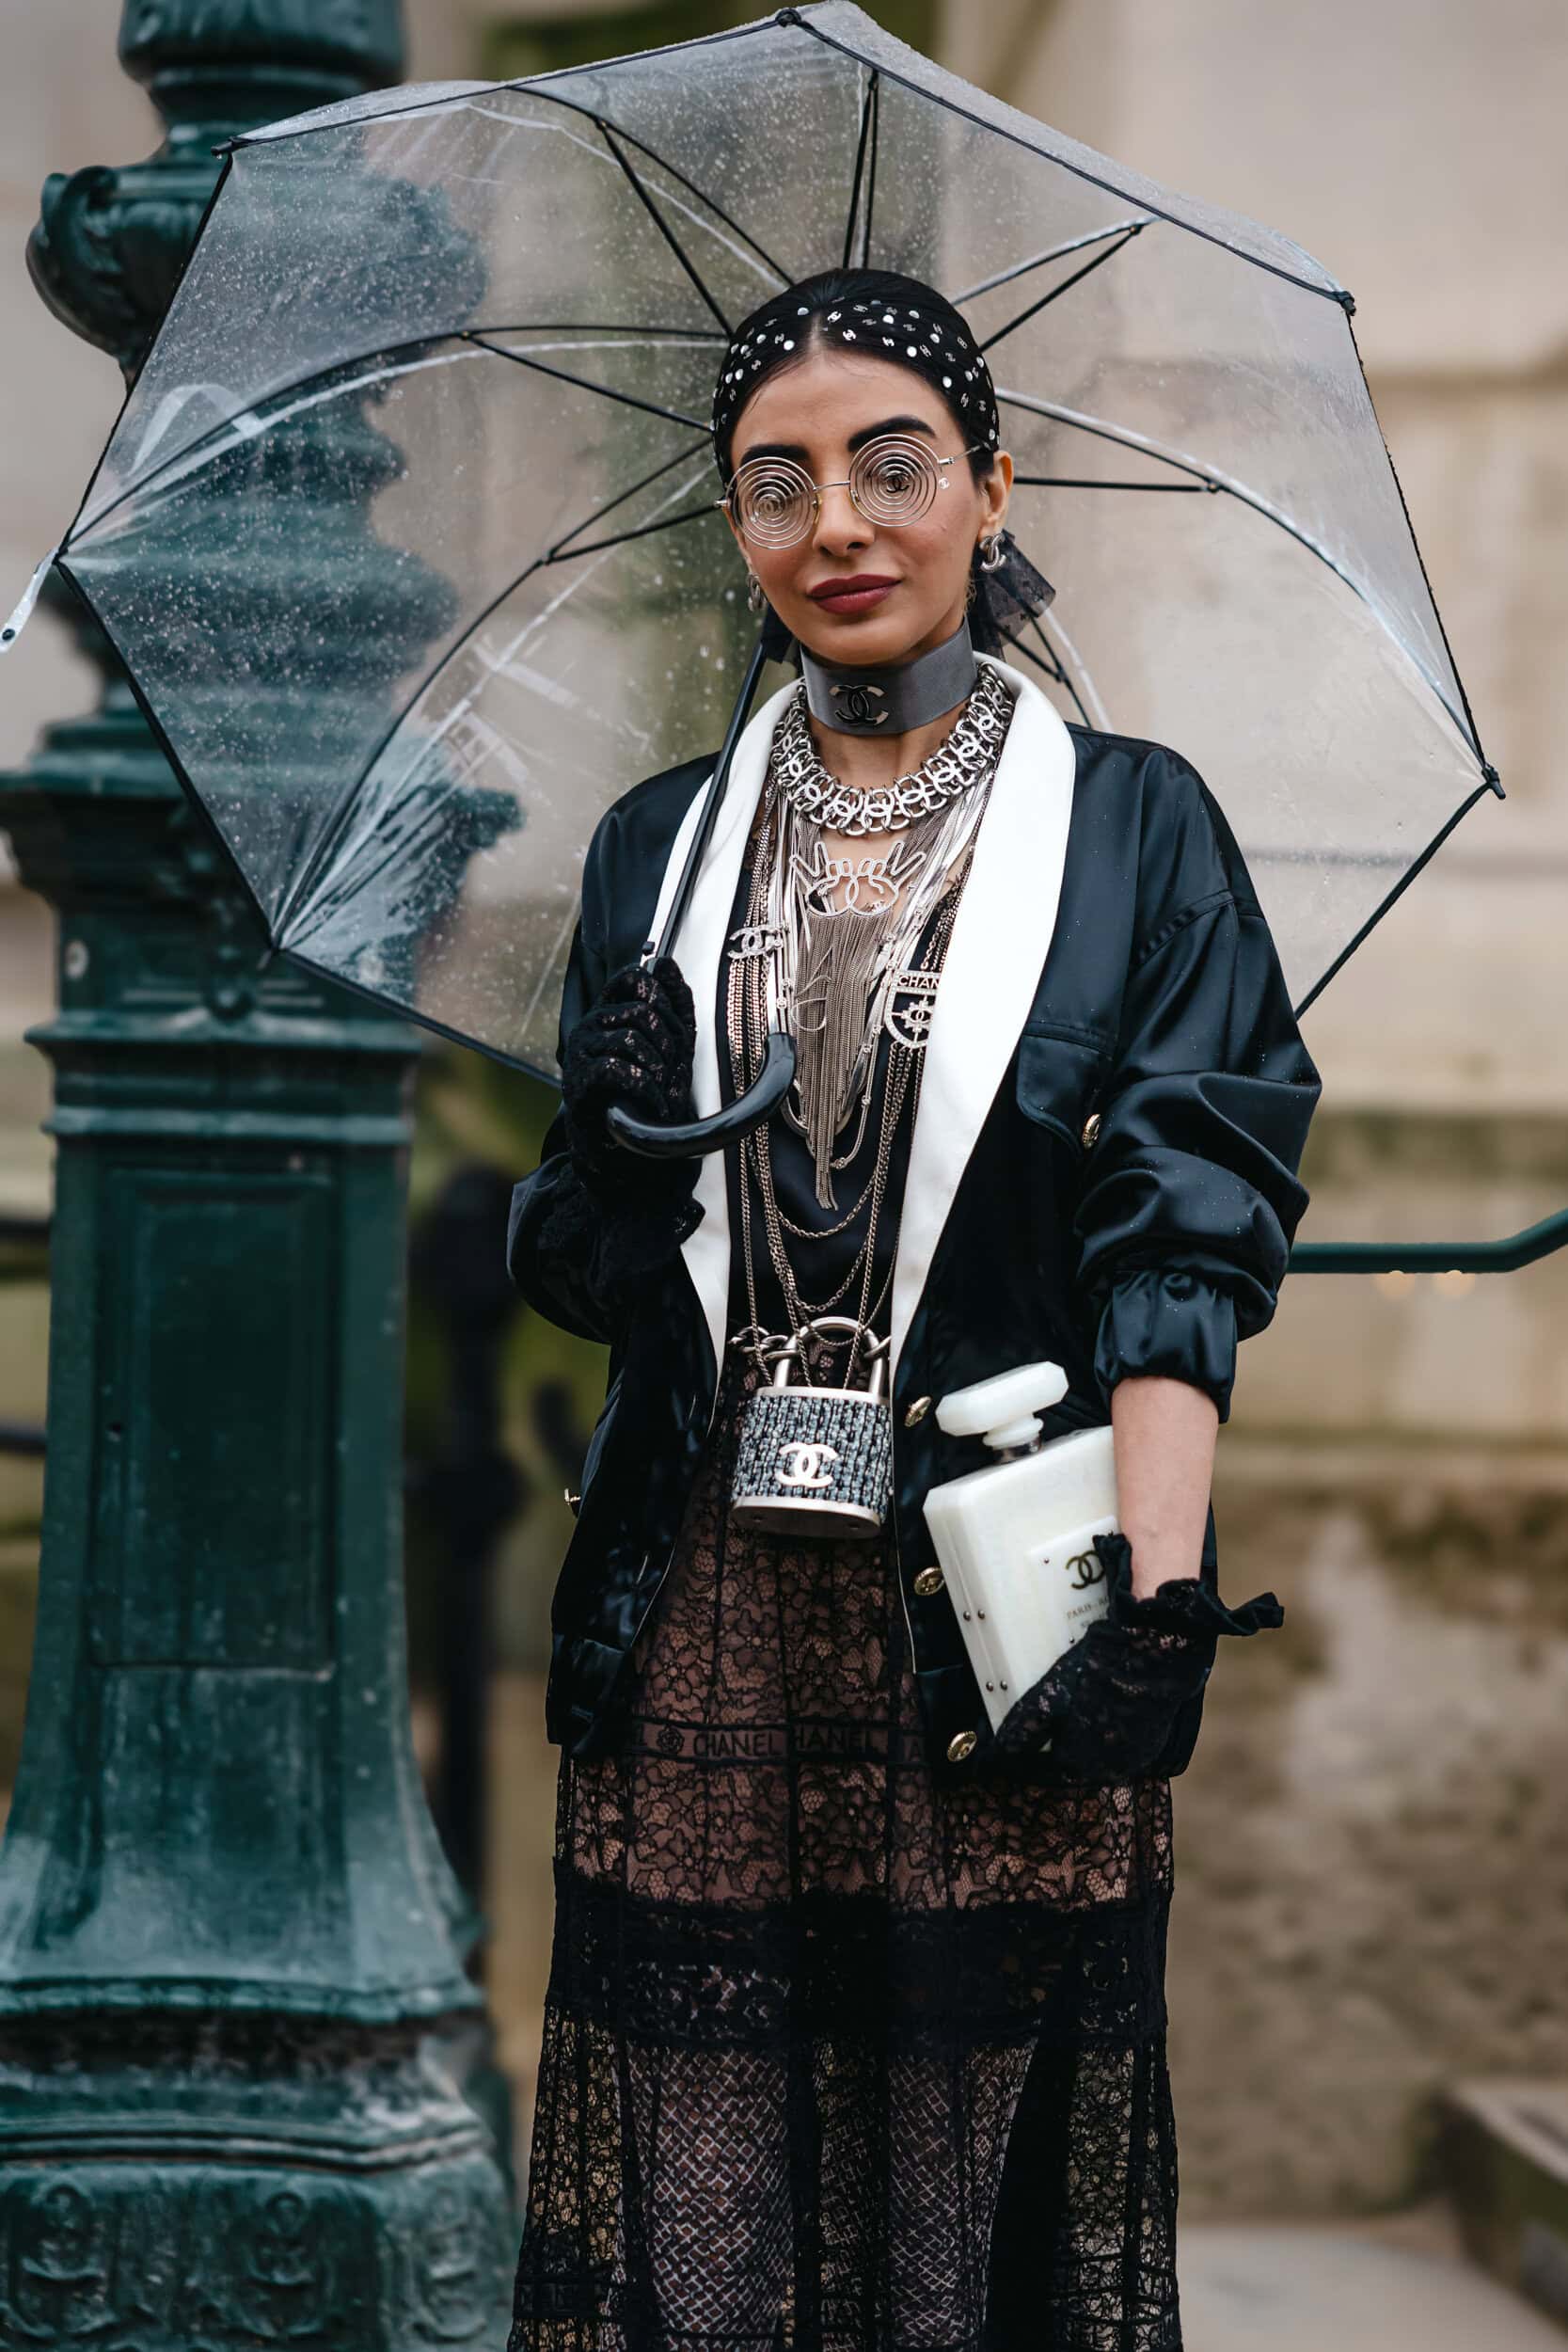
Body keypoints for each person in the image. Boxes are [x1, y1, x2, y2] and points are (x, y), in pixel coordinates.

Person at [505, 267, 1321, 2352]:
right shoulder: (658, 850)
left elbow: (1186, 1232)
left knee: (976, 2186)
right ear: (734, 522)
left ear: (991, 486)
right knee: (705, 2186)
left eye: (894, 465)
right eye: (776, 482)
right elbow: (586, 1278)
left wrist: (1159, 1593)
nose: (839, 524)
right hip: (706, 1596)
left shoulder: (1134, 828)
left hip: (992, 1594)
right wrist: (609, 1147)